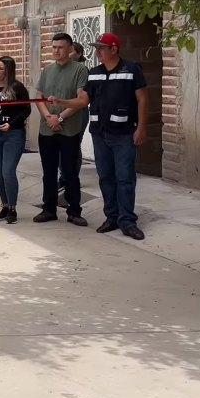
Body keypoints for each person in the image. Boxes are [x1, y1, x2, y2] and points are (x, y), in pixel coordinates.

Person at [49, 32, 148, 241]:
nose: (98, 52)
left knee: (125, 179)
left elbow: (142, 100)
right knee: (105, 178)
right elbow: (82, 101)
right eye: (96, 48)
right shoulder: (94, 73)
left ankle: (127, 221)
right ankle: (111, 217)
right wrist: (60, 102)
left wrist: (141, 128)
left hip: (124, 135)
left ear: (114, 49)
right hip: (100, 134)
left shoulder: (131, 70)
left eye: (101, 48)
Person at [33, 33, 89, 227]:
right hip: (47, 128)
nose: (56, 51)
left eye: (61, 47)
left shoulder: (80, 70)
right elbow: (39, 97)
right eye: (54, 47)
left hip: (69, 129)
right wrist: (49, 117)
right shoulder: (47, 70)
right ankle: (48, 208)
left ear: (70, 48)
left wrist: (61, 116)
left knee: (70, 171)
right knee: (48, 171)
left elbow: (80, 100)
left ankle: (74, 211)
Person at [0, 56, 31, 224]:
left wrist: (11, 124)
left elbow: (26, 110)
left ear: (8, 70)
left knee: (8, 171)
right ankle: (4, 205)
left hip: (13, 134)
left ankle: (12, 208)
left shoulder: (17, 88)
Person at [58, 39, 89, 199]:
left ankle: (69, 177)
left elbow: (80, 99)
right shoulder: (59, 70)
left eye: (71, 51)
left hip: (78, 113)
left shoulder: (82, 70)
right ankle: (63, 175)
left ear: (78, 54)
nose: (67, 54)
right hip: (60, 112)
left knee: (73, 144)